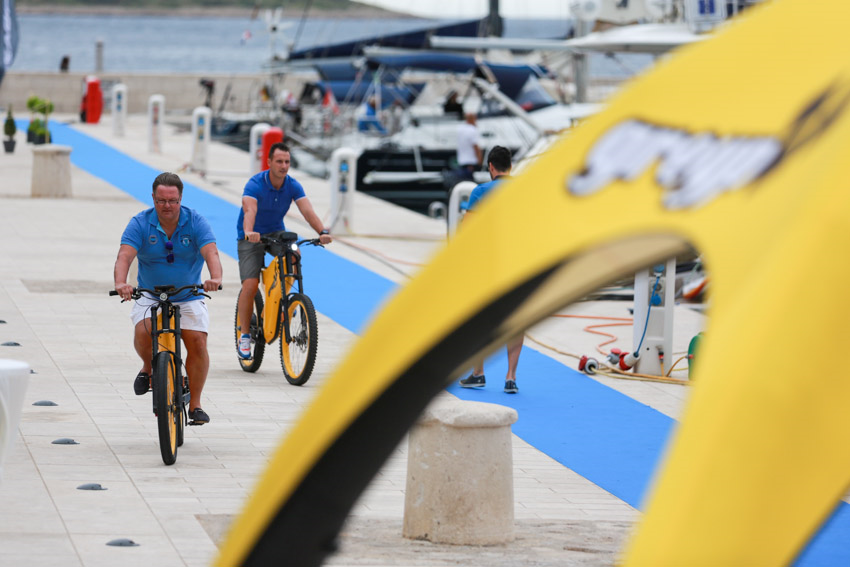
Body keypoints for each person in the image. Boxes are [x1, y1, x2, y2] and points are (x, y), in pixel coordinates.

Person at [114, 172, 223, 424]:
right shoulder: (140, 223)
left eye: (173, 201)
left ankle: (195, 404)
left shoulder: (195, 221)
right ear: (153, 198)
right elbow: (124, 256)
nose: (167, 206)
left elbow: (211, 253)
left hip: (188, 294)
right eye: (161, 200)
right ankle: (148, 367)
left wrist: (215, 277)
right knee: (143, 330)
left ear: (180, 199)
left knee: (197, 342)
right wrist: (121, 283)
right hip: (150, 293)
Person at [236, 142, 332, 359]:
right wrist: (249, 231)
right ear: (269, 162)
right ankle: (244, 335)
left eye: (287, 161)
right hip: (251, 235)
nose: (284, 166)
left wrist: (322, 231)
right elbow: (249, 210)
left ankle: (284, 301)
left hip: (276, 232)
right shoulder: (255, 184)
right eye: (279, 161)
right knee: (250, 285)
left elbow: (307, 211)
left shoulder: (293, 185)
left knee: (295, 254)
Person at [458, 146, 522, 394]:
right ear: (511, 167)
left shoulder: (481, 191)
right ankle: (511, 377)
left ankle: (478, 373)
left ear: (491, 167)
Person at [456, 111, 483, 181]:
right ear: (472, 119)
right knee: (470, 183)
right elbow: (475, 146)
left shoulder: (460, 129)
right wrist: (480, 160)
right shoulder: (472, 130)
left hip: (462, 161)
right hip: (471, 162)